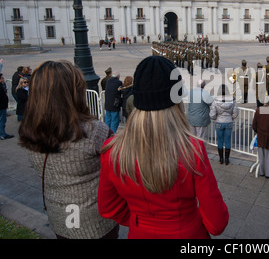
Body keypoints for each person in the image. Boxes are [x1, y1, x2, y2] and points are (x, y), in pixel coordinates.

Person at [97, 56, 228, 239]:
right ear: (176, 103)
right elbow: (217, 223)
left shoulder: (112, 151)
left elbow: (108, 207)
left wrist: (140, 220)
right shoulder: (192, 151)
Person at [18, 60, 119, 239]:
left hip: (60, 217)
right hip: (95, 223)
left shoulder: (30, 129)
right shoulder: (94, 130)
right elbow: (120, 168)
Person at [210, 84, 239, 165]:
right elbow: (235, 112)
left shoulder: (215, 101)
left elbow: (212, 114)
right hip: (228, 121)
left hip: (219, 121)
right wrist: (231, 117)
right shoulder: (232, 100)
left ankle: (221, 159)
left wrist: (216, 118)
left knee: (220, 141)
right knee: (227, 141)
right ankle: (227, 159)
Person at [252, 95, 269, 178]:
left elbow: (254, 124)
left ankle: (262, 172)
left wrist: (258, 131)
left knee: (261, 155)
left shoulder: (259, 110)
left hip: (261, 135)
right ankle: (268, 173)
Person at [0, 73, 14, 140]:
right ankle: (2, 134)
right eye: (2, 78)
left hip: (2, 106)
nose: (3, 79)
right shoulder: (0, 87)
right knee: (2, 121)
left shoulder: (1, 85)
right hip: (1, 107)